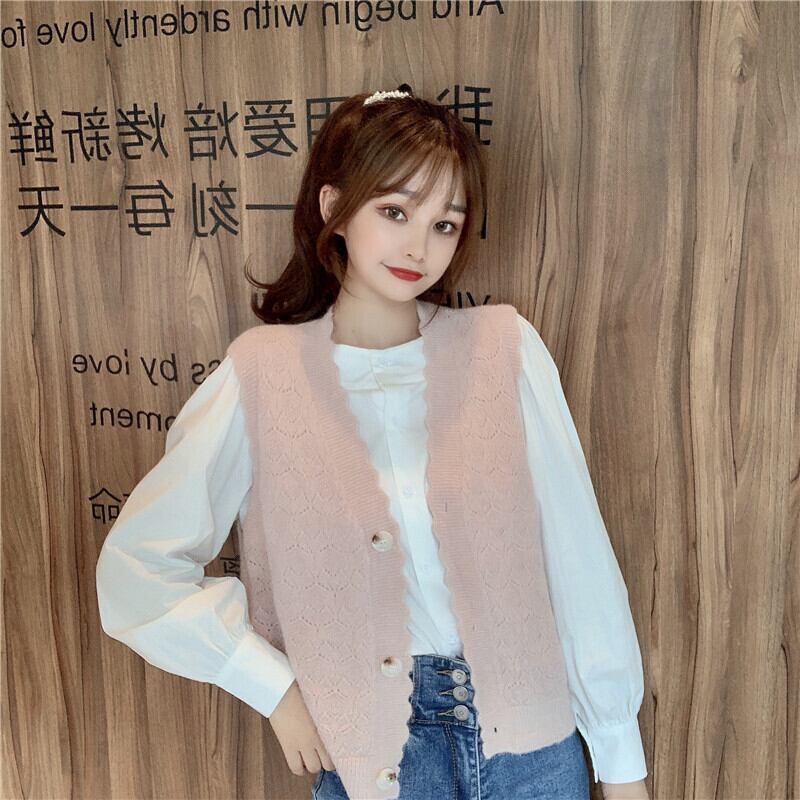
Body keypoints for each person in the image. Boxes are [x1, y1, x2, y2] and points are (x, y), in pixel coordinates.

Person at [96, 85, 650, 800]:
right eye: (395, 212)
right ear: (335, 207)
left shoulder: (503, 349)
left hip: (534, 747)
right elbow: (136, 572)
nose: (420, 246)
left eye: (445, 224)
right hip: (376, 757)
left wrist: (621, 761)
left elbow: (576, 556)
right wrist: (273, 688)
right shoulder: (262, 375)